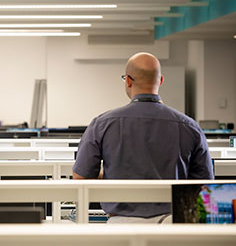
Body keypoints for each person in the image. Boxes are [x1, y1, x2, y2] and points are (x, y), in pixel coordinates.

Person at [72, 52, 214, 223]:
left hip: (121, 225)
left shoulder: (103, 124)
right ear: (160, 80)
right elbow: (205, 185)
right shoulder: (190, 127)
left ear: (128, 81)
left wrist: (112, 174)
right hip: (173, 225)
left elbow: (81, 178)